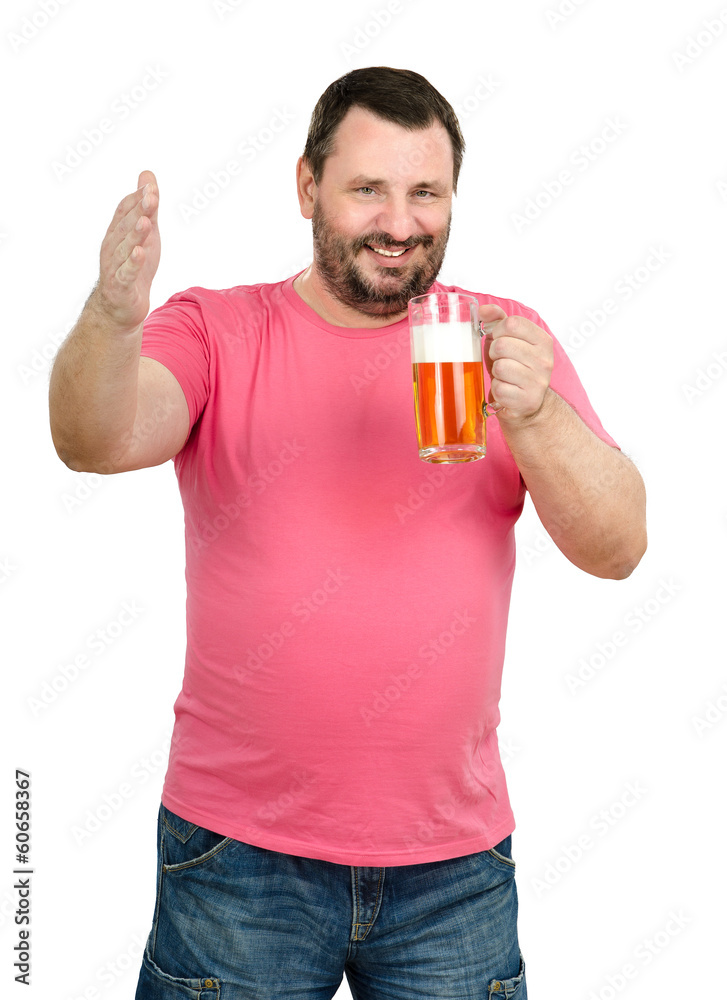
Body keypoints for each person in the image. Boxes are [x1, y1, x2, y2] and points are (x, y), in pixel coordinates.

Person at [49, 66, 646, 1000]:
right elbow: (93, 441)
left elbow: (618, 549)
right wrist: (113, 318)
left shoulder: (503, 340)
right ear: (307, 187)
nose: (399, 223)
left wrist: (536, 419)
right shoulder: (216, 328)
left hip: (453, 868)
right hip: (238, 859)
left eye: (426, 193)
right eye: (368, 188)